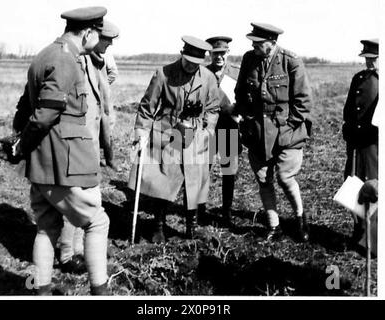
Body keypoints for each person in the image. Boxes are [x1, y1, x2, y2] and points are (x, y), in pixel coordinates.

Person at [13, 6, 110, 295]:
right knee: (97, 220)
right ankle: (100, 290)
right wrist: (21, 145)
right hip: (63, 162)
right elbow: (45, 114)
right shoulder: (67, 60)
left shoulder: (44, 54)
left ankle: (40, 291)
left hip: (41, 162)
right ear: (89, 32)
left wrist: (22, 144)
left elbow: (24, 108)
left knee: (46, 226)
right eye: (99, 33)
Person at [128, 36, 220, 242]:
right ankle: (158, 226)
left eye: (196, 63)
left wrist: (209, 129)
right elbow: (147, 107)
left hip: (195, 135)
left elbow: (213, 108)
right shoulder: (163, 74)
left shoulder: (208, 78)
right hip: (167, 132)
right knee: (164, 180)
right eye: (187, 61)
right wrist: (141, 132)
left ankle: (191, 228)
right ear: (182, 55)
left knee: (194, 182)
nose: (190, 66)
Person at [233, 23, 312, 242]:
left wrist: (287, 127)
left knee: (285, 178)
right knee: (263, 179)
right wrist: (246, 118)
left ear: (272, 43)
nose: (254, 46)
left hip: (288, 132)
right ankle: (274, 227)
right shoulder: (249, 59)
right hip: (258, 132)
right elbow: (240, 92)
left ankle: (300, 219)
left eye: (259, 43)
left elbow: (304, 102)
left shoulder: (291, 61)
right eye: (253, 43)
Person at [57, 20, 120, 275]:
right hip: (74, 143)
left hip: (91, 142)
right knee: (73, 197)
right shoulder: (72, 61)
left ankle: (83, 248)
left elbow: (103, 98)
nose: (110, 45)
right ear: (92, 36)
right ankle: (67, 254)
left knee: (89, 197)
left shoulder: (99, 62)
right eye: (107, 40)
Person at [201, 36, 240, 227]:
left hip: (229, 126)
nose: (219, 57)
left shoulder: (236, 73)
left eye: (222, 53)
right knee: (203, 168)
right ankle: (199, 210)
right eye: (215, 54)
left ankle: (226, 213)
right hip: (207, 128)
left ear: (228, 53)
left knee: (228, 171)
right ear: (209, 54)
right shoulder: (203, 72)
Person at [342, 39, 378, 247]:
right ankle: (359, 229)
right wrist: (349, 128)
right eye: (367, 58)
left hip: (374, 145)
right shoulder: (359, 78)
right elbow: (349, 109)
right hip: (356, 142)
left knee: (374, 187)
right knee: (352, 183)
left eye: (374, 58)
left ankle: (373, 238)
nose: (370, 62)